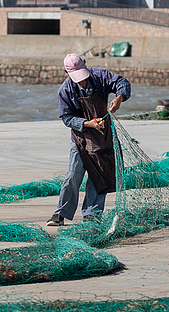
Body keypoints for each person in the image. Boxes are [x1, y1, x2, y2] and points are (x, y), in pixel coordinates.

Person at [47, 53, 130, 227]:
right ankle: (60, 213)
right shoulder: (65, 90)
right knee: (73, 176)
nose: (82, 81)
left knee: (99, 177)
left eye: (83, 76)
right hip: (81, 139)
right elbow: (67, 118)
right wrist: (88, 124)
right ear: (66, 72)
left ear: (85, 63)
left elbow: (122, 83)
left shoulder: (100, 76)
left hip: (103, 137)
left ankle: (92, 216)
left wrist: (119, 98)